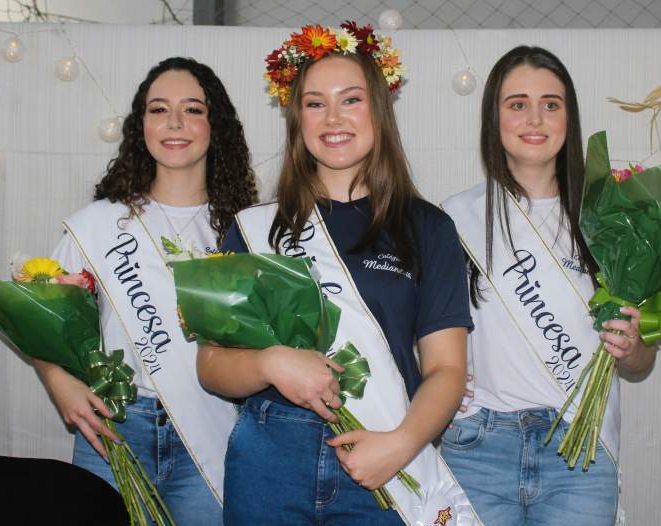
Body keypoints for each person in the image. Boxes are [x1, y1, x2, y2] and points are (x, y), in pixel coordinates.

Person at [196, 23, 479, 525]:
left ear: (379, 111)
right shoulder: (256, 228)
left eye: (350, 100)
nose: (333, 118)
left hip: (384, 450)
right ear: (296, 118)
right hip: (269, 460)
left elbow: (446, 370)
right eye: (314, 103)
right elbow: (212, 365)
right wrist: (270, 364)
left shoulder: (428, 228)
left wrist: (402, 445)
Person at [33, 56, 256, 525]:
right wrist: (60, 383)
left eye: (192, 109)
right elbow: (39, 316)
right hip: (115, 429)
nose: (175, 123)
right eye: (159, 109)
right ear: (141, 126)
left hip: (214, 430)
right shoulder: (98, 225)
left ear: (216, 125)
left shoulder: (247, 231)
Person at [441, 45, 656, 525]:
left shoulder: (611, 219)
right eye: (517, 104)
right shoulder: (454, 219)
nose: (534, 118)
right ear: (493, 118)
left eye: (551, 104)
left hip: (580, 451)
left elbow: (641, 363)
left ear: (569, 117)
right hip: (478, 447)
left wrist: (634, 344)